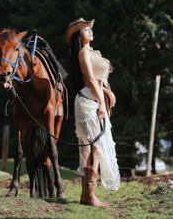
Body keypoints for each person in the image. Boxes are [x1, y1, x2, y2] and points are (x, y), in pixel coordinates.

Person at [64, 18, 120, 208]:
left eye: (90, 28)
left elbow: (97, 79)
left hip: (94, 99)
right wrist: (102, 103)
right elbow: (88, 78)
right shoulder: (82, 53)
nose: (89, 31)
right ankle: (89, 195)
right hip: (88, 101)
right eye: (85, 29)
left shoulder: (93, 52)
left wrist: (106, 92)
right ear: (78, 35)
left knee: (92, 146)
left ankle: (86, 194)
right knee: (95, 145)